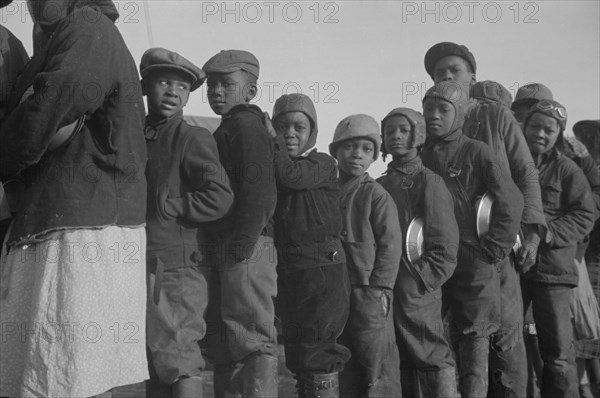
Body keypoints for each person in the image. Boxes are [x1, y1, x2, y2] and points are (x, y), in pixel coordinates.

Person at [0, 0, 148, 397]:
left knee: (70, 371)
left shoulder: (88, 27)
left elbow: (50, 105)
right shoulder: (56, 40)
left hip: (83, 227)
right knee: (52, 369)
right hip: (55, 219)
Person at [425, 42, 544, 397]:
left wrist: (532, 235)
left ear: (472, 77)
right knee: (461, 336)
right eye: (439, 73)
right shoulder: (431, 126)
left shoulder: (494, 116)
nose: (447, 76)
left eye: (455, 71)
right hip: (447, 252)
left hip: (497, 245)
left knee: (506, 337)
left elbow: (525, 173)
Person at [140, 48, 234, 398]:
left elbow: (220, 195)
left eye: (181, 87)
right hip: (145, 262)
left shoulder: (192, 137)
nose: (172, 92)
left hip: (177, 268)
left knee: (179, 357)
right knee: (155, 361)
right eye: (163, 82)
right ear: (144, 87)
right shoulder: (139, 137)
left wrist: (175, 205)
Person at [202, 49, 279, 398]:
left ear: (250, 91)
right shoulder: (231, 126)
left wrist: (240, 246)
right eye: (212, 84)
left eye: (226, 84)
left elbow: (260, 194)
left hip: (247, 246)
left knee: (251, 337)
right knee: (231, 339)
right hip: (234, 245)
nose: (216, 91)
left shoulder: (247, 126)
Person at [265, 94, 350, 398]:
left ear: (312, 132)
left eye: (298, 127)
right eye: (282, 126)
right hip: (291, 268)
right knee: (299, 352)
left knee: (319, 351)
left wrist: (271, 141)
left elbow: (292, 176)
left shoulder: (323, 164)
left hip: (323, 271)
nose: (289, 133)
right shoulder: (277, 168)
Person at [377, 107, 460, 397]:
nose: (396, 136)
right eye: (389, 131)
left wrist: (421, 280)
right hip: (386, 286)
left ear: (418, 135)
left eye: (403, 129)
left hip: (417, 287)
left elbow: (445, 246)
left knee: (430, 352)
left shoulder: (430, 181)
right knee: (398, 354)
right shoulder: (378, 185)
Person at [521, 99, 595, 397]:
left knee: (558, 353)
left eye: (549, 129)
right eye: (535, 126)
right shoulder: (511, 164)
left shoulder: (568, 171)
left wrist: (546, 234)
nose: (540, 133)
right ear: (524, 127)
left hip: (553, 272)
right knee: (507, 343)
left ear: (558, 134)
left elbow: (585, 215)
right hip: (513, 269)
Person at [327, 114, 402, 397]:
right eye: (349, 147)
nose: (357, 154)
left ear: (374, 156)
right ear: (335, 152)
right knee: (344, 361)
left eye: (366, 149)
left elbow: (390, 246)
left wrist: (380, 289)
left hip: (368, 291)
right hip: (336, 291)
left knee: (375, 361)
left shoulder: (376, 195)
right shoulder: (326, 192)